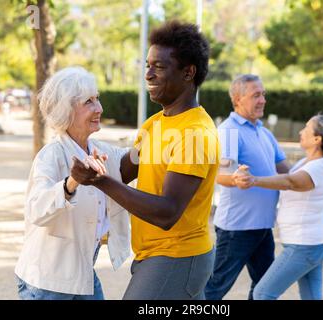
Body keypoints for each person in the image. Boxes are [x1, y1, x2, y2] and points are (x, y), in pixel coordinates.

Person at [71, 20, 220, 300]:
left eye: (159, 67)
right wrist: (82, 142)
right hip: (155, 254)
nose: (148, 75)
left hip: (177, 255)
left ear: (189, 72)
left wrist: (100, 180)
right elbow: (124, 170)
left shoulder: (195, 134)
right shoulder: (154, 125)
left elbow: (167, 212)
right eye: (147, 65)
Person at [14, 66, 131, 300]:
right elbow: (36, 209)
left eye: (97, 99)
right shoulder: (51, 156)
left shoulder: (101, 151)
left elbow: (134, 157)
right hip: (47, 284)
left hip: (82, 276)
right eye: (88, 102)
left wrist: (161, 135)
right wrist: (71, 182)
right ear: (65, 111)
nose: (99, 108)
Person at [244, 114, 323, 300]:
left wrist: (254, 180)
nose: (301, 131)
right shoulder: (307, 162)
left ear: (317, 139)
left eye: (306, 129)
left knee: (262, 293)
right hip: (314, 242)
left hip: (304, 245)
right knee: (311, 296)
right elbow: (284, 174)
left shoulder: (318, 168)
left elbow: (289, 181)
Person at [204, 74, 289, 300]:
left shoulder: (264, 132)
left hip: (263, 227)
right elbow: (219, 174)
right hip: (237, 229)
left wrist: (317, 167)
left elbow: (285, 170)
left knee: (265, 289)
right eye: (256, 95)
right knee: (214, 288)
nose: (262, 100)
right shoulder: (229, 131)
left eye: (263, 95)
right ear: (238, 99)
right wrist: (235, 179)